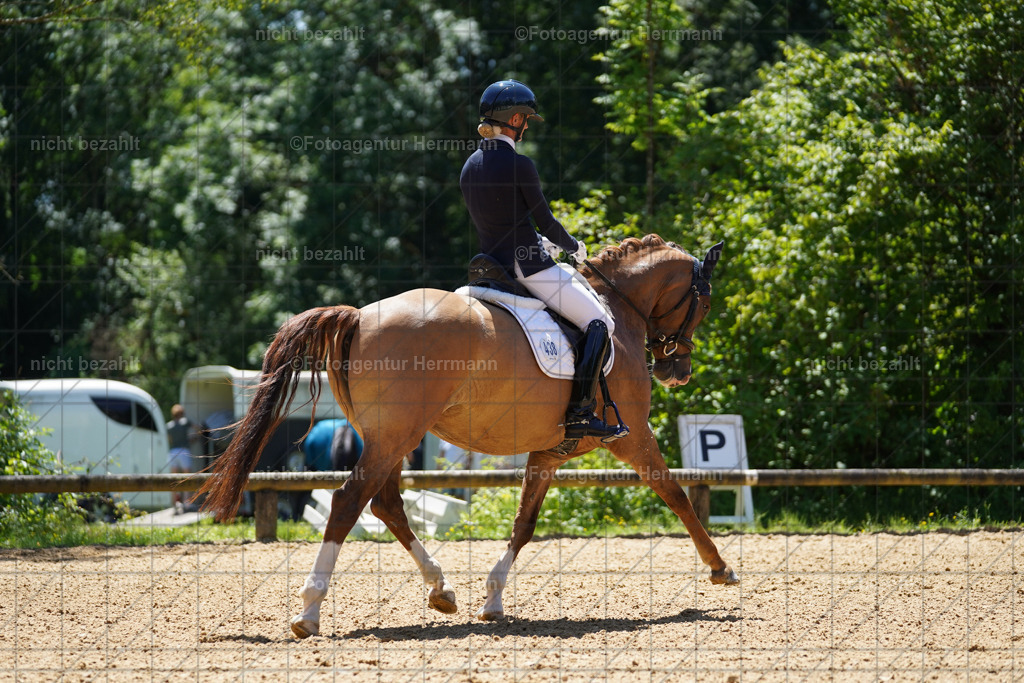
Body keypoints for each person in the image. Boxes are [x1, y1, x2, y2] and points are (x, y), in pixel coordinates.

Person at [459, 79, 627, 440]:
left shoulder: (469, 166)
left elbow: (500, 220)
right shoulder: (520, 165)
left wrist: (535, 240)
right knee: (599, 321)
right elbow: (546, 221)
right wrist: (572, 246)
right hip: (528, 268)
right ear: (516, 119)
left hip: (491, 265)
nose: (525, 129)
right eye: (525, 121)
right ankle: (581, 413)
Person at [166, 404, 199, 514]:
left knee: (173, 480)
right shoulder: (185, 422)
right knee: (186, 478)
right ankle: (187, 503)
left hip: (173, 452)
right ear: (182, 413)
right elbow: (198, 429)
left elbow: (170, 441)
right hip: (184, 451)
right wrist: (192, 439)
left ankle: (174, 505)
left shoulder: (169, 426)